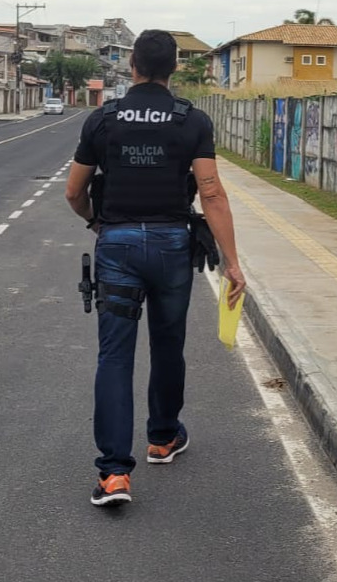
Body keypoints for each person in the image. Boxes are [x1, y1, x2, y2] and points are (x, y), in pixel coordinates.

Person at [65, 29, 247, 508]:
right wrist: (232, 263)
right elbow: (210, 193)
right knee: (169, 345)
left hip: (118, 245)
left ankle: (114, 476)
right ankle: (163, 438)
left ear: (133, 67)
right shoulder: (192, 120)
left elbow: (73, 192)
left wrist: (97, 221)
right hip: (170, 246)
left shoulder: (103, 119)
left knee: (115, 356)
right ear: (172, 69)